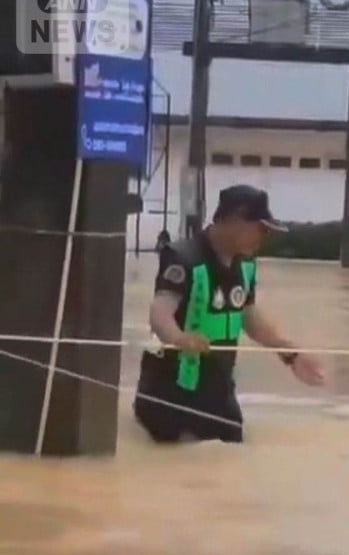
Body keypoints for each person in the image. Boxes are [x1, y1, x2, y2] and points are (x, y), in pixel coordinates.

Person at [135, 185, 326, 444]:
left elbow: (248, 316)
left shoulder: (246, 264)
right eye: (261, 228)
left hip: (218, 391)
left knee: (231, 451)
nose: (265, 236)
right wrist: (179, 338)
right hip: (170, 391)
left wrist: (290, 354)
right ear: (234, 220)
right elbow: (160, 311)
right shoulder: (183, 257)